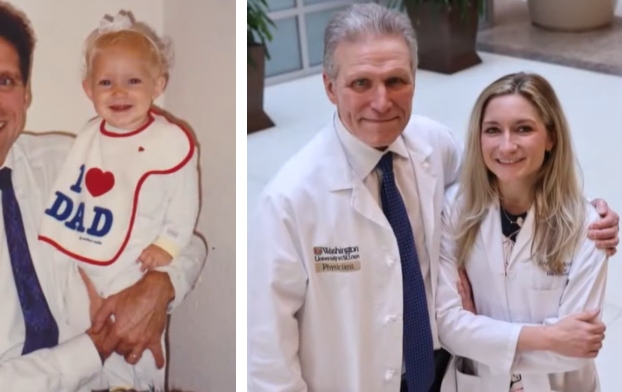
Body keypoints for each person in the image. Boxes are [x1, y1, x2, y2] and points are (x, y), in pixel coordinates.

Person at [245, 3, 619, 392]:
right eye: (361, 83)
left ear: (414, 81)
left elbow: (507, 178)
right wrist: (542, 337)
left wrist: (589, 212)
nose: (381, 101)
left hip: (443, 375)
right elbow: (266, 348)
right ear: (329, 87)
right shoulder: (289, 200)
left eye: (395, 81)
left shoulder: (434, 146)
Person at [0, 1, 206, 391]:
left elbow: (187, 241)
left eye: (4, 81)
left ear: (25, 93)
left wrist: (162, 283)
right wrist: (94, 348)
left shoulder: (71, 161)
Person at [37, 8, 199, 391]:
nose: (119, 93)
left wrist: (169, 244)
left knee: (139, 350)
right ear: (88, 89)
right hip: (91, 266)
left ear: (158, 86)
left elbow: (184, 199)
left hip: (139, 263)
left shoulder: (168, 142)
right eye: (106, 82)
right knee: (89, 339)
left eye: (133, 81)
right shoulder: (90, 137)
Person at [436, 72, 607, 392]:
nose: (506, 145)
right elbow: (447, 327)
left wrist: (479, 338)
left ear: (551, 137)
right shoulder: (455, 208)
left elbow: (576, 351)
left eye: (523, 129)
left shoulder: (589, 224)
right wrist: (550, 337)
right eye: (492, 130)